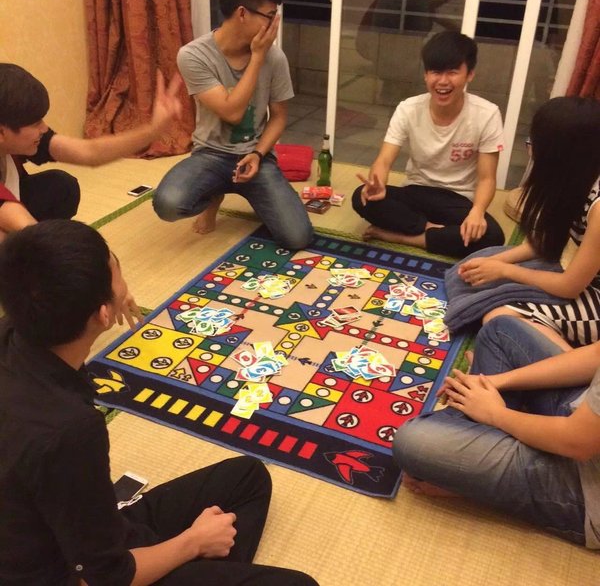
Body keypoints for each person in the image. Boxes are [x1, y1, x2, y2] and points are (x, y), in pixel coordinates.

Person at [0, 219, 318, 585]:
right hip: (70, 574)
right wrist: (192, 543)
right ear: (103, 313)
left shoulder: (15, 330)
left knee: (248, 476)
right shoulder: (69, 429)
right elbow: (108, 577)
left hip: (70, 529)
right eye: (116, 269)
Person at [394, 315, 600, 548]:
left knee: (413, 441)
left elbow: (576, 443)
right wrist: (492, 381)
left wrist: (495, 413)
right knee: (500, 331)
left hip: (582, 482)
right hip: (582, 415)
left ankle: (469, 471)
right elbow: (596, 355)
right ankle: (473, 456)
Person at [152, 0, 313, 250]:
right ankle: (213, 196)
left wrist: (258, 154)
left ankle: (251, 192)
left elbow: (279, 117)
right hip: (210, 154)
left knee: (298, 237)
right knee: (168, 205)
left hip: (256, 157)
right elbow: (232, 112)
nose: (274, 23)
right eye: (270, 15)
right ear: (242, 13)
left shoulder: (275, 58)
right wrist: (258, 57)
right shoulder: (194, 55)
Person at [457, 96, 600, 348]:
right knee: (482, 271)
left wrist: (504, 271)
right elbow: (546, 241)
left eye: (534, 142)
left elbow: (570, 286)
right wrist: (496, 261)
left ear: (561, 152)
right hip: (574, 271)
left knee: (498, 319)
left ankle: (577, 369)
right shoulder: (574, 180)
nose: (530, 149)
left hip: (592, 295)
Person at [352, 30, 505, 258]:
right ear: (425, 75)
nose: (442, 81)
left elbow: (487, 178)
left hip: (459, 199)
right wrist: (378, 183)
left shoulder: (487, 114)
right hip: (417, 190)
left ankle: (404, 237)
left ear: (469, 74)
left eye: (452, 72)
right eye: (435, 72)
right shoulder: (408, 109)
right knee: (361, 197)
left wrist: (478, 211)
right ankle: (432, 231)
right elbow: (384, 160)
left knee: (493, 236)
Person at [0, 63, 183, 242]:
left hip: (10, 204)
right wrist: (49, 248)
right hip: (7, 210)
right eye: (35, 124)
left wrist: (152, 131)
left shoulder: (24, 134)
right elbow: (11, 213)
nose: (44, 128)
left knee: (61, 187)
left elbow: (89, 152)